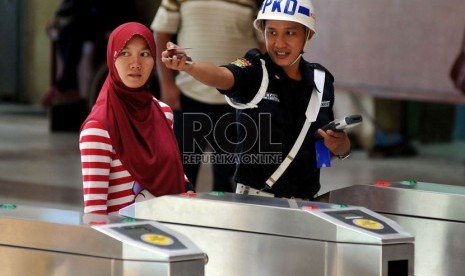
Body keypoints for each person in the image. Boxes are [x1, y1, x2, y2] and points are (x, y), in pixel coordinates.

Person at [161, 0, 352, 200]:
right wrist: (189, 66)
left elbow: (322, 151)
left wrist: (342, 147)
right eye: (271, 32)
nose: (279, 43)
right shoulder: (255, 70)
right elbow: (222, 75)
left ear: (308, 35)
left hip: (307, 202)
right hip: (257, 204)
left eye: (290, 33)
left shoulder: (321, 80)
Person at [79, 22, 193, 220]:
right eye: (124, 53)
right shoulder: (98, 129)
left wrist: (187, 190)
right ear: (111, 58)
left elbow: (173, 172)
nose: (135, 63)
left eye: (145, 54)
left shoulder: (164, 113)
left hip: (169, 236)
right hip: (123, 244)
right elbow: (95, 213)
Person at [150, 0, 264, 192]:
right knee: (180, 178)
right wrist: (167, 84)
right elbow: (161, 33)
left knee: (228, 182)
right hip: (188, 98)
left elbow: (264, 43)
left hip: (235, 104)